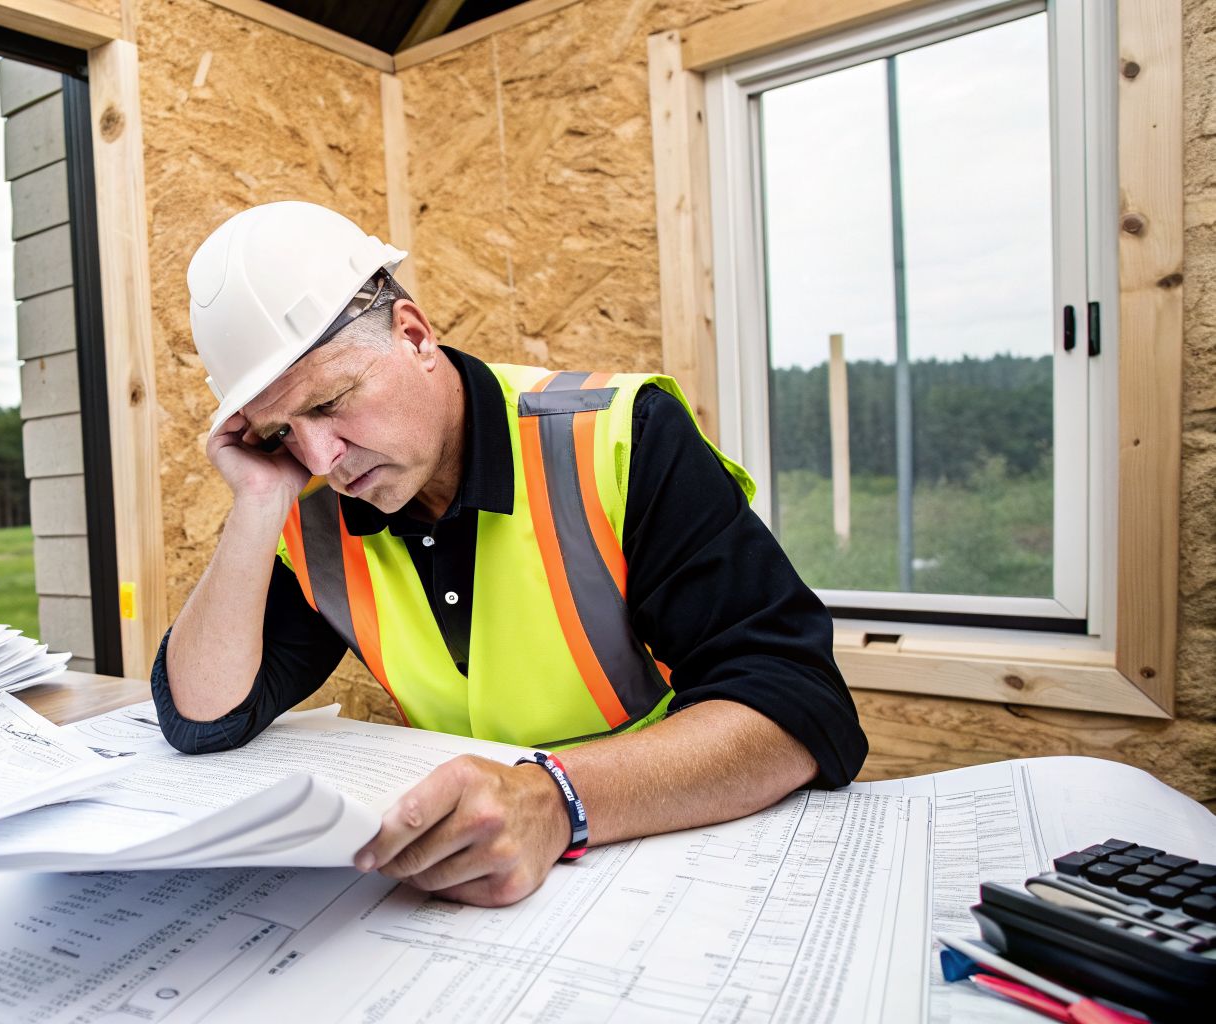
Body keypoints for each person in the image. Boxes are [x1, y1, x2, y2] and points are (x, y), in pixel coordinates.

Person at [152, 201, 867, 907]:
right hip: (466, 896)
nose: (322, 458)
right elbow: (205, 716)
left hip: (670, 861)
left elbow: (798, 706)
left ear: (414, 335)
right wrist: (256, 503)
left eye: (332, 402)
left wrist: (553, 800)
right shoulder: (314, 517)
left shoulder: (618, 438)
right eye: (281, 433)